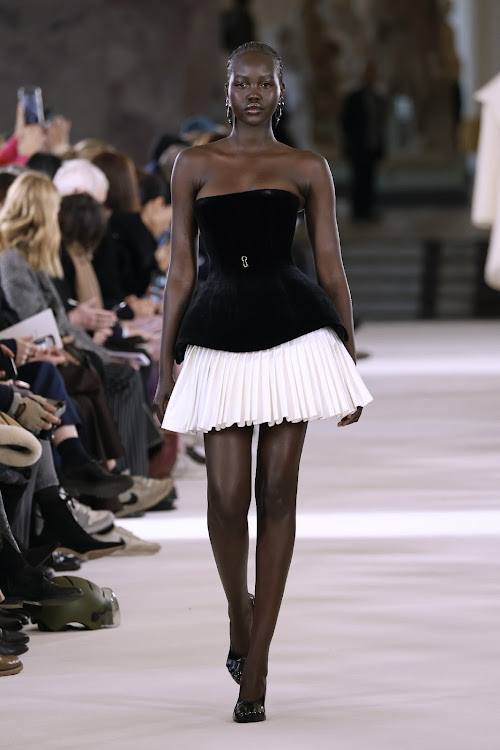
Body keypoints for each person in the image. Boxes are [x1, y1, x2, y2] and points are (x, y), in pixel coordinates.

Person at [154, 41, 372, 723]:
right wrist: (166, 364)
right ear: (227, 91)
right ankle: (237, 613)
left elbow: (330, 264)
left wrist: (347, 350)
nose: (252, 92)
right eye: (241, 82)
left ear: (281, 92)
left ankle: (259, 668)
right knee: (224, 499)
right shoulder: (194, 165)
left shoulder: (306, 166)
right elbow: (181, 271)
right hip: (219, 325)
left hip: (291, 328)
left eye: (264, 82)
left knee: (276, 492)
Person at [340, 60, 387, 222]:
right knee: (358, 179)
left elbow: (380, 125)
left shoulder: (378, 98)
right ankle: (358, 211)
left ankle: (367, 210)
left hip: (372, 145)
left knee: (370, 179)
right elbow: (346, 123)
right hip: (358, 147)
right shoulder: (354, 98)